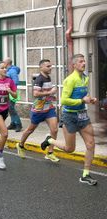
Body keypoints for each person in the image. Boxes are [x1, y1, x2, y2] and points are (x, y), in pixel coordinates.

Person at [41, 54, 98, 185]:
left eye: (84, 61)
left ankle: (85, 174)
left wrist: (90, 99)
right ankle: (50, 140)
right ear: (74, 65)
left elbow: (84, 95)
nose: (84, 63)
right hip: (70, 116)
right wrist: (81, 100)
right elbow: (64, 100)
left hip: (83, 115)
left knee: (91, 144)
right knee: (69, 149)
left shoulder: (85, 78)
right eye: (81, 61)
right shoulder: (70, 80)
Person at [16, 59, 59, 162]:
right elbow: (35, 94)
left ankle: (50, 152)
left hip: (49, 108)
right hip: (38, 110)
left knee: (55, 130)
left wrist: (52, 97)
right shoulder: (39, 79)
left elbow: (46, 92)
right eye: (48, 66)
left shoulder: (48, 78)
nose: (50, 68)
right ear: (41, 67)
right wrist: (50, 92)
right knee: (30, 130)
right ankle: (20, 145)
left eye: (51, 66)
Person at [4, 57, 23, 132]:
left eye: (4, 62)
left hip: (12, 92)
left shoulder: (12, 71)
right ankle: (13, 123)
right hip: (9, 92)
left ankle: (18, 124)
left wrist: (9, 87)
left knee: (11, 108)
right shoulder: (9, 70)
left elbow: (15, 82)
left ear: (7, 63)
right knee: (10, 108)